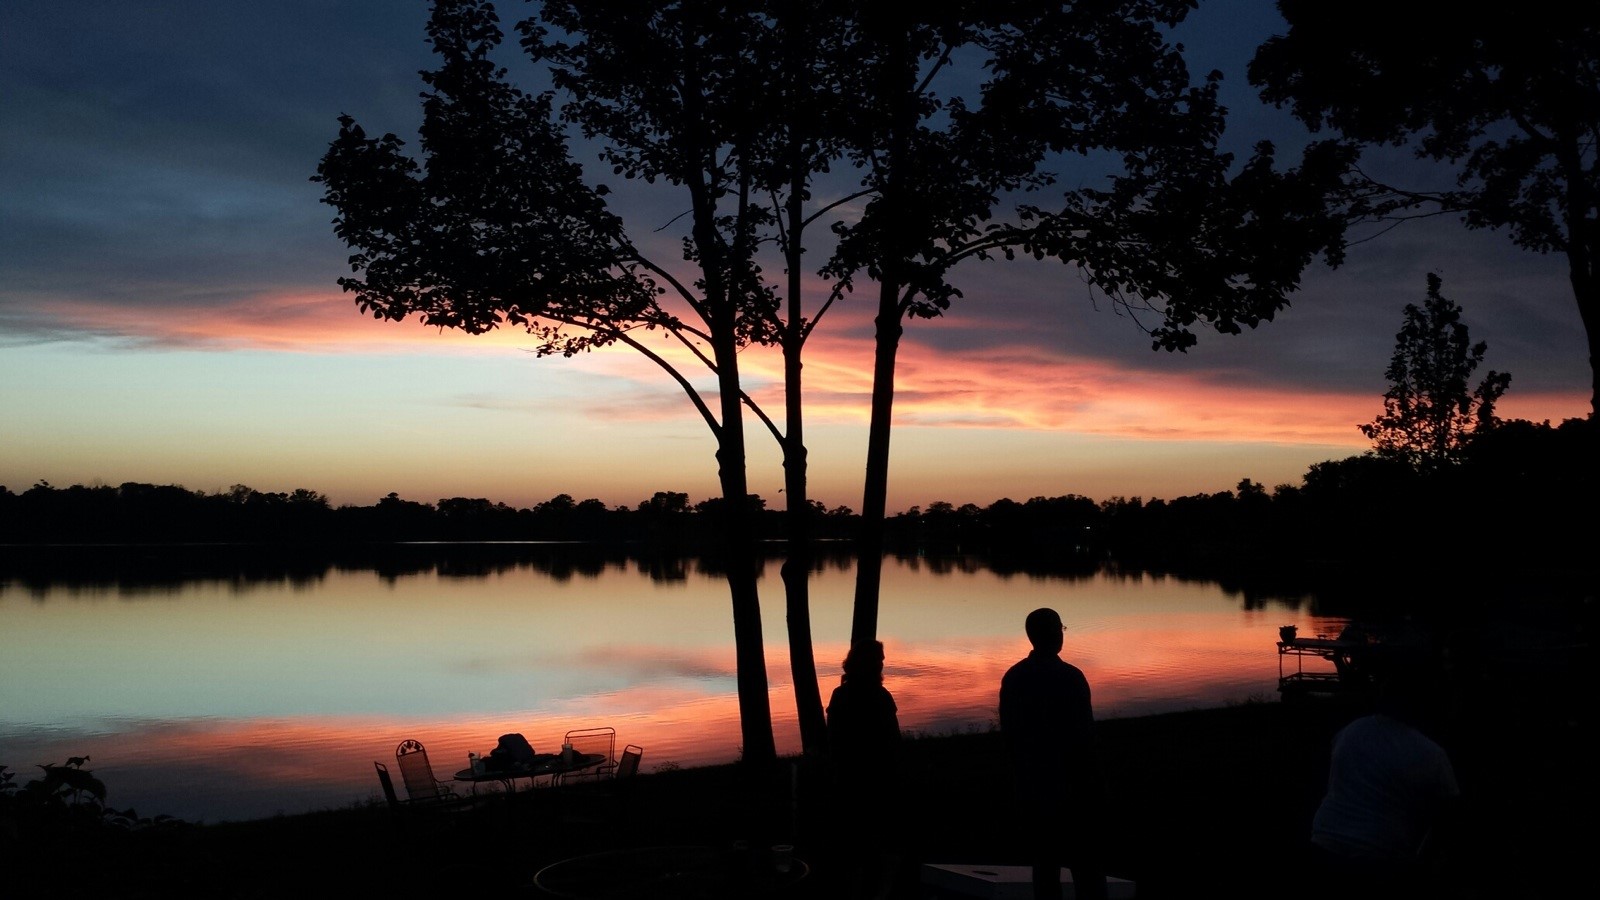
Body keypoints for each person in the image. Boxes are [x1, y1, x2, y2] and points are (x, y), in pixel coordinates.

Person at [1307, 659, 1461, 899]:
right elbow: (1450, 817)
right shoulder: (1430, 753)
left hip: (1322, 844)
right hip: (1380, 860)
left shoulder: (1350, 731)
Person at [999, 607, 1110, 900]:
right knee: (1087, 867)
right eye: (1060, 628)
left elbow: (1010, 735)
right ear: (1054, 635)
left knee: (1045, 868)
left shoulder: (1014, 677)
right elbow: (1085, 737)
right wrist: (1095, 783)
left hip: (1032, 787)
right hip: (1074, 787)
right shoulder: (1070, 677)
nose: (1062, 634)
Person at [825, 640, 902, 899]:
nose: (881, 664)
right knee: (877, 840)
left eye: (881, 660)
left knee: (858, 841)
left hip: (852, 777)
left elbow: (833, 738)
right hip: (872, 777)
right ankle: (879, 890)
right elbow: (893, 740)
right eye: (878, 660)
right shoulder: (880, 697)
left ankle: (861, 888)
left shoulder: (841, 695)